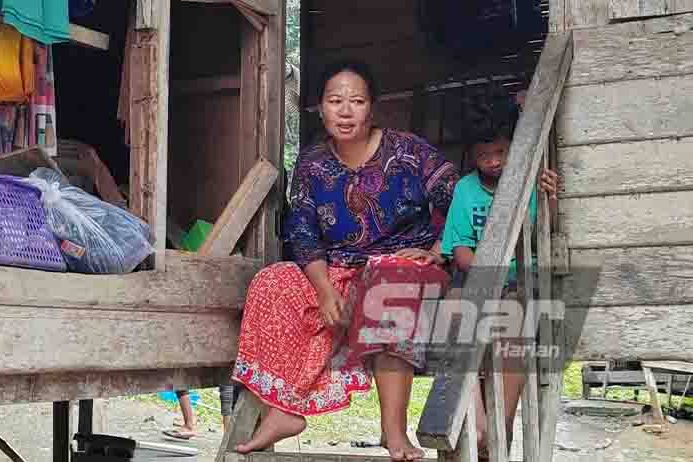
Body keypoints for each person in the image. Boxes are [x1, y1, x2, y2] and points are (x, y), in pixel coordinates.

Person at [231, 61, 460, 461]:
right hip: (340, 270)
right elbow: (301, 231)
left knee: (390, 283)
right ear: (320, 108)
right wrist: (322, 290)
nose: (346, 110)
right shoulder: (312, 163)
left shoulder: (409, 151)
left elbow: (461, 200)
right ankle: (282, 410)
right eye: (335, 100)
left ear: (372, 107)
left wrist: (439, 249)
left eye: (356, 101)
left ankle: (393, 432)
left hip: (406, 269)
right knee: (272, 281)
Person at [440, 92, 559, 451]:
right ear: (471, 155)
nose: (492, 161)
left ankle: (500, 424)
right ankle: (476, 418)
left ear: (513, 147)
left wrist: (550, 198)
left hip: (520, 283)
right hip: (477, 280)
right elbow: (458, 247)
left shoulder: (530, 183)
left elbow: (544, 233)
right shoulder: (464, 189)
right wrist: (485, 276)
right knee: (452, 310)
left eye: (500, 153)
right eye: (483, 155)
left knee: (516, 320)